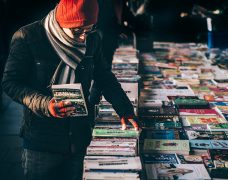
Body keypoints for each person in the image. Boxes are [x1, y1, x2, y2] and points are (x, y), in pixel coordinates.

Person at [1, 0, 138, 179]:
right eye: (77, 31)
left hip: (78, 137)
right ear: (61, 21)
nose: (83, 37)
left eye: (88, 29)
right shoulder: (28, 37)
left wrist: (125, 109)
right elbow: (10, 83)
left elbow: (104, 76)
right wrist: (46, 104)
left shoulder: (93, 38)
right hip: (41, 140)